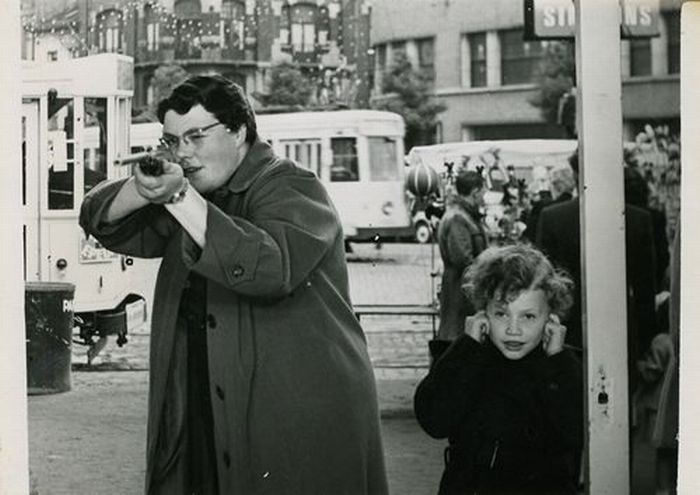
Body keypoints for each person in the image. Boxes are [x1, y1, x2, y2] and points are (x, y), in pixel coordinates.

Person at [80, 75, 388, 495]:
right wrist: (143, 187)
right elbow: (102, 219)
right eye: (172, 141)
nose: (183, 153)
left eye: (195, 136)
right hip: (210, 399)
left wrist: (177, 198)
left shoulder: (293, 185)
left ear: (240, 130)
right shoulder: (195, 192)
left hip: (294, 408)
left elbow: (268, 268)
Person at [414, 244, 583, 495]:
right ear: (483, 313)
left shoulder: (559, 365)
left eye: (528, 317)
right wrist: (466, 348)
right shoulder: (470, 358)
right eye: (502, 314)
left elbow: (577, 430)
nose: (513, 329)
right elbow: (434, 420)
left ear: (551, 318)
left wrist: (558, 362)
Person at [432, 169, 487, 356]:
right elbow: (463, 258)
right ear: (475, 191)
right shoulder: (458, 217)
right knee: (457, 339)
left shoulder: (464, 215)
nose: (484, 195)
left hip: (463, 289)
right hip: (460, 291)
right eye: (483, 191)